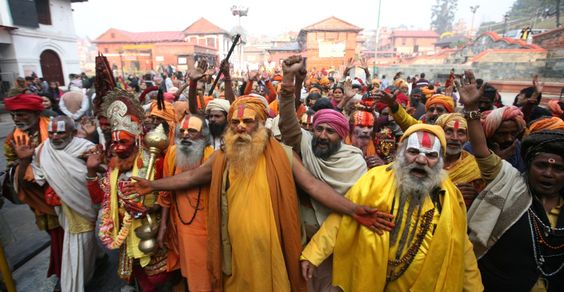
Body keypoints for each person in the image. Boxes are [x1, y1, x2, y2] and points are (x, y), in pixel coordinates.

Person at [125, 95, 392, 292]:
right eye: (236, 122)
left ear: (262, 124)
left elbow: (313, 186)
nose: (241, 127)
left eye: (248, 121)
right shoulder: (223, 157)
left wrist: (354, 210)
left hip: (271, 250)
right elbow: (193, 176)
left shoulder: (283, 154)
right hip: (235, 252)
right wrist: (154, 185)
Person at [300, 123, 483, 291]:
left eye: (431, 155)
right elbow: (342, 217)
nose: (421, 160)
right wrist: (313, 254)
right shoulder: (375, 179)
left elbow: (461, 247)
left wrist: (475, 289)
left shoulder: (449, 197)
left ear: (440, 160)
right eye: (413, 152)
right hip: (368, 277)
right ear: (400, 153)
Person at [278, 56, 388, 291]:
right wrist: (289, 82)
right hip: (301, 235)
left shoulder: (354, 161)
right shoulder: (305, 144)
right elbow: (287, 121)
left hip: (337, 240)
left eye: (330, 131)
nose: (323, 135)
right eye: (319, 129)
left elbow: (352, 203)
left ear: (342, 136)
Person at [457, 70, 564, 291]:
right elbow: (480, 149)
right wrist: (470, 110)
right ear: (528, 164)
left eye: (558, 168)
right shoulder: (510, 181)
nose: (548, 174)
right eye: (542, 165)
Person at [86, 89, 173, 291]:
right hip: (125, 234)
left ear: (136, 139)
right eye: (114, 142)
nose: (116, 147)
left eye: (122, 141)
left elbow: (168, 196)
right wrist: (91, 171)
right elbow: (100, 198)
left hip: (150, 230)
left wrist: (152, 210)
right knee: (138, 277)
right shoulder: (114, 166)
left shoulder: (154, 161)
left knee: (158, 279)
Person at [25, 116, 98, 292]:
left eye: (60, 132)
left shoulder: (86, 147)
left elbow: (100, 176)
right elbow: (36, 176)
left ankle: (72, 286)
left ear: (73, 133)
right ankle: (94, 264)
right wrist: (23, 161)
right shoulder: (42, 150)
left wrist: (93, 167)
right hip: (62, 206)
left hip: (84, 205)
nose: (55, 136)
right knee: (80, 244)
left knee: (80, 244)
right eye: (51, 132)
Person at [3, 94, 64, 285]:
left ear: (36, 113)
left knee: (68, 234)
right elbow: (13, 170)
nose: (17, 119)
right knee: (55, 234)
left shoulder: (55, 126)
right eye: (14, 115)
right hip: (37, 197)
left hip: (63, 191)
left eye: (21, 114)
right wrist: (24, 161)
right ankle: (64, 271)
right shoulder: (12, 138)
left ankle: (71, 271)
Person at [157, 115, 214, 291]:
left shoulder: (210, 156)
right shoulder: (173, 153)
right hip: (178, 229)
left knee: (204, 280)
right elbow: (166, 191)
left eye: (192, 131)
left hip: (205, 232)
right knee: (185, 275)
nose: (186, 135)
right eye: (182, 131)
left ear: (203, 137)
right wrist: (163, 226)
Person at [434, 113, 484, 208]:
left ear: (467, 137)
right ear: (439, 134)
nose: (455, 138)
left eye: (461, 133)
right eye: (448, 132)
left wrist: (476, 197)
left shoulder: (474, 167)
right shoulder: (426, 161)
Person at [464, 105, 527, 172]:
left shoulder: (518, 146)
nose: (509, 139)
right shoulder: (470, 149)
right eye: (501, 134)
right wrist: (496, 161)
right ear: (489, 133)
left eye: (513, 133)